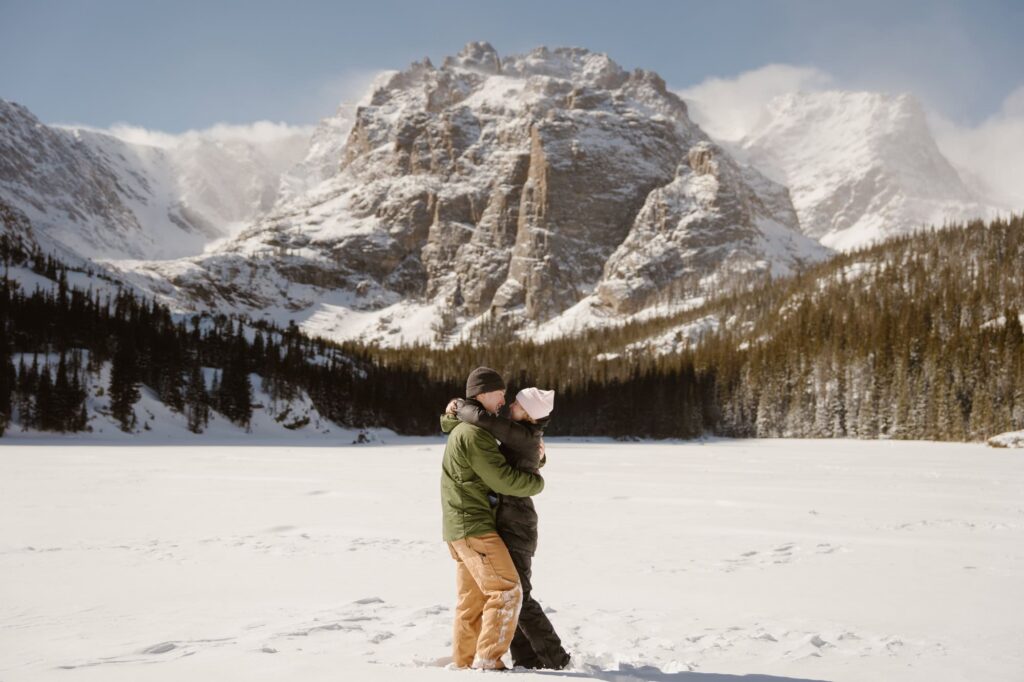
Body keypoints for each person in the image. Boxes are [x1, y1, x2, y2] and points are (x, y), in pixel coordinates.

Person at [443, 386, 571, 670]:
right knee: (514, 597)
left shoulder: (521, 434)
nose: (509, 404)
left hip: (517, 524)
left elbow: (484, 420)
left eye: (515, 402)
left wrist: (460, 406)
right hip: (505, 521)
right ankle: (527, 660)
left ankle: (557, 660)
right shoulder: (522, 433)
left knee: (517, 595)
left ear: (527, 412)